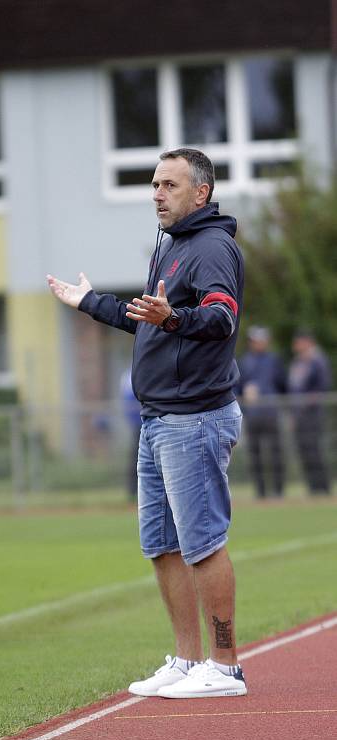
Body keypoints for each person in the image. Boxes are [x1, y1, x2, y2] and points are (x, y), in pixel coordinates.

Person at [48, 148, 246, 698]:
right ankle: (187, 660)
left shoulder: (210, 247)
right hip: (158, 419)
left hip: (194, 418)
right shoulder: (172, 246)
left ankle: (225, 666)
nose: (156, 193)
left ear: (200, 193)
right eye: (154, 184)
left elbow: (222, 316)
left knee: (202, 542)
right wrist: (89, 301)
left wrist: (176, 316)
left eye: (169, 185)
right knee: (162, 544)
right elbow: (149, 324)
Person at [237, 326, 287, 498]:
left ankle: (278, 491)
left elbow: (283, 385)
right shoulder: (245, 361)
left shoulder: (274, 360)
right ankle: (261, 492)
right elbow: (238, 387)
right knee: (255, 454)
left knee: (276, 453)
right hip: (252, 415)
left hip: (271, 414)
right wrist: (244, 397)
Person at [288, 330, 332, 494]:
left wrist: (307, 403)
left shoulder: (317, 360)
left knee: (315, 451)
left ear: (307, 342)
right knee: (304, 451)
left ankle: (323, 487)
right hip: (299, 415)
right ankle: (312, 487)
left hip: (312, 414)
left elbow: (322, 386)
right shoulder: (298, 361)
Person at [120, 367, 142, 500]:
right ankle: (132, 490)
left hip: (151, 422)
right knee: (135, 459)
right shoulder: (129, 375)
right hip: (139, 424)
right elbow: (128, 400)